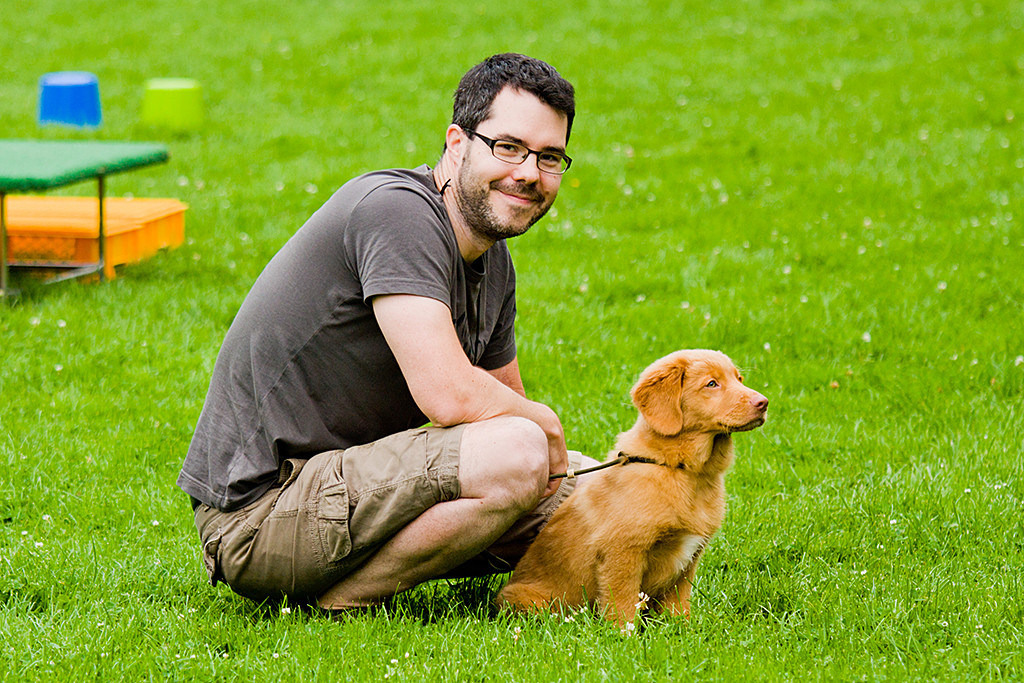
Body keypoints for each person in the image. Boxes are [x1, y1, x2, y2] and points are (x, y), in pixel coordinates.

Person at [177, 53, 598, 612]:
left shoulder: (493, 262)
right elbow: (450, 396)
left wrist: (557, 459)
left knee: (597, 491)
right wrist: (544, 425)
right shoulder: (397, 213)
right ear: (456, 142)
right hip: (260, 515)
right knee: (519, 452)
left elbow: (505, 405)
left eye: (549, 157)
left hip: (349, 492)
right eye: (509, 147)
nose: (528, 172)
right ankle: (342, 601)